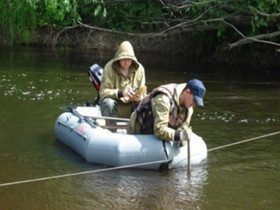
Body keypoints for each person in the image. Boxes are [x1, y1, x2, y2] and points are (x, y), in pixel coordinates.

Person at [128, 79, 206, 146]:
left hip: (158, 135)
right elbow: (159, 130)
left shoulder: (189, 109)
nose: (194, 105)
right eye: (194, 100)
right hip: (139, 133)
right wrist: (180, 135)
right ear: (187, 92)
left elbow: (183, 126)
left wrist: (183, 136)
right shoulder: (164, 99)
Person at [99, 41, 146, 119]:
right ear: (118, 58)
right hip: (115, 105)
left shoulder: (140, 69)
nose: (126, 62)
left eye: (129, 59)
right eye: (123, 59)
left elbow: (144, 93)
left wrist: (140, 97)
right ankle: (111, 128)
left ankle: (136, 129)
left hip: (133, 106)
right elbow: (103, 92)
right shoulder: (109, 68)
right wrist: (120, 93)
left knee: (146, 105)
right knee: (108, 103)